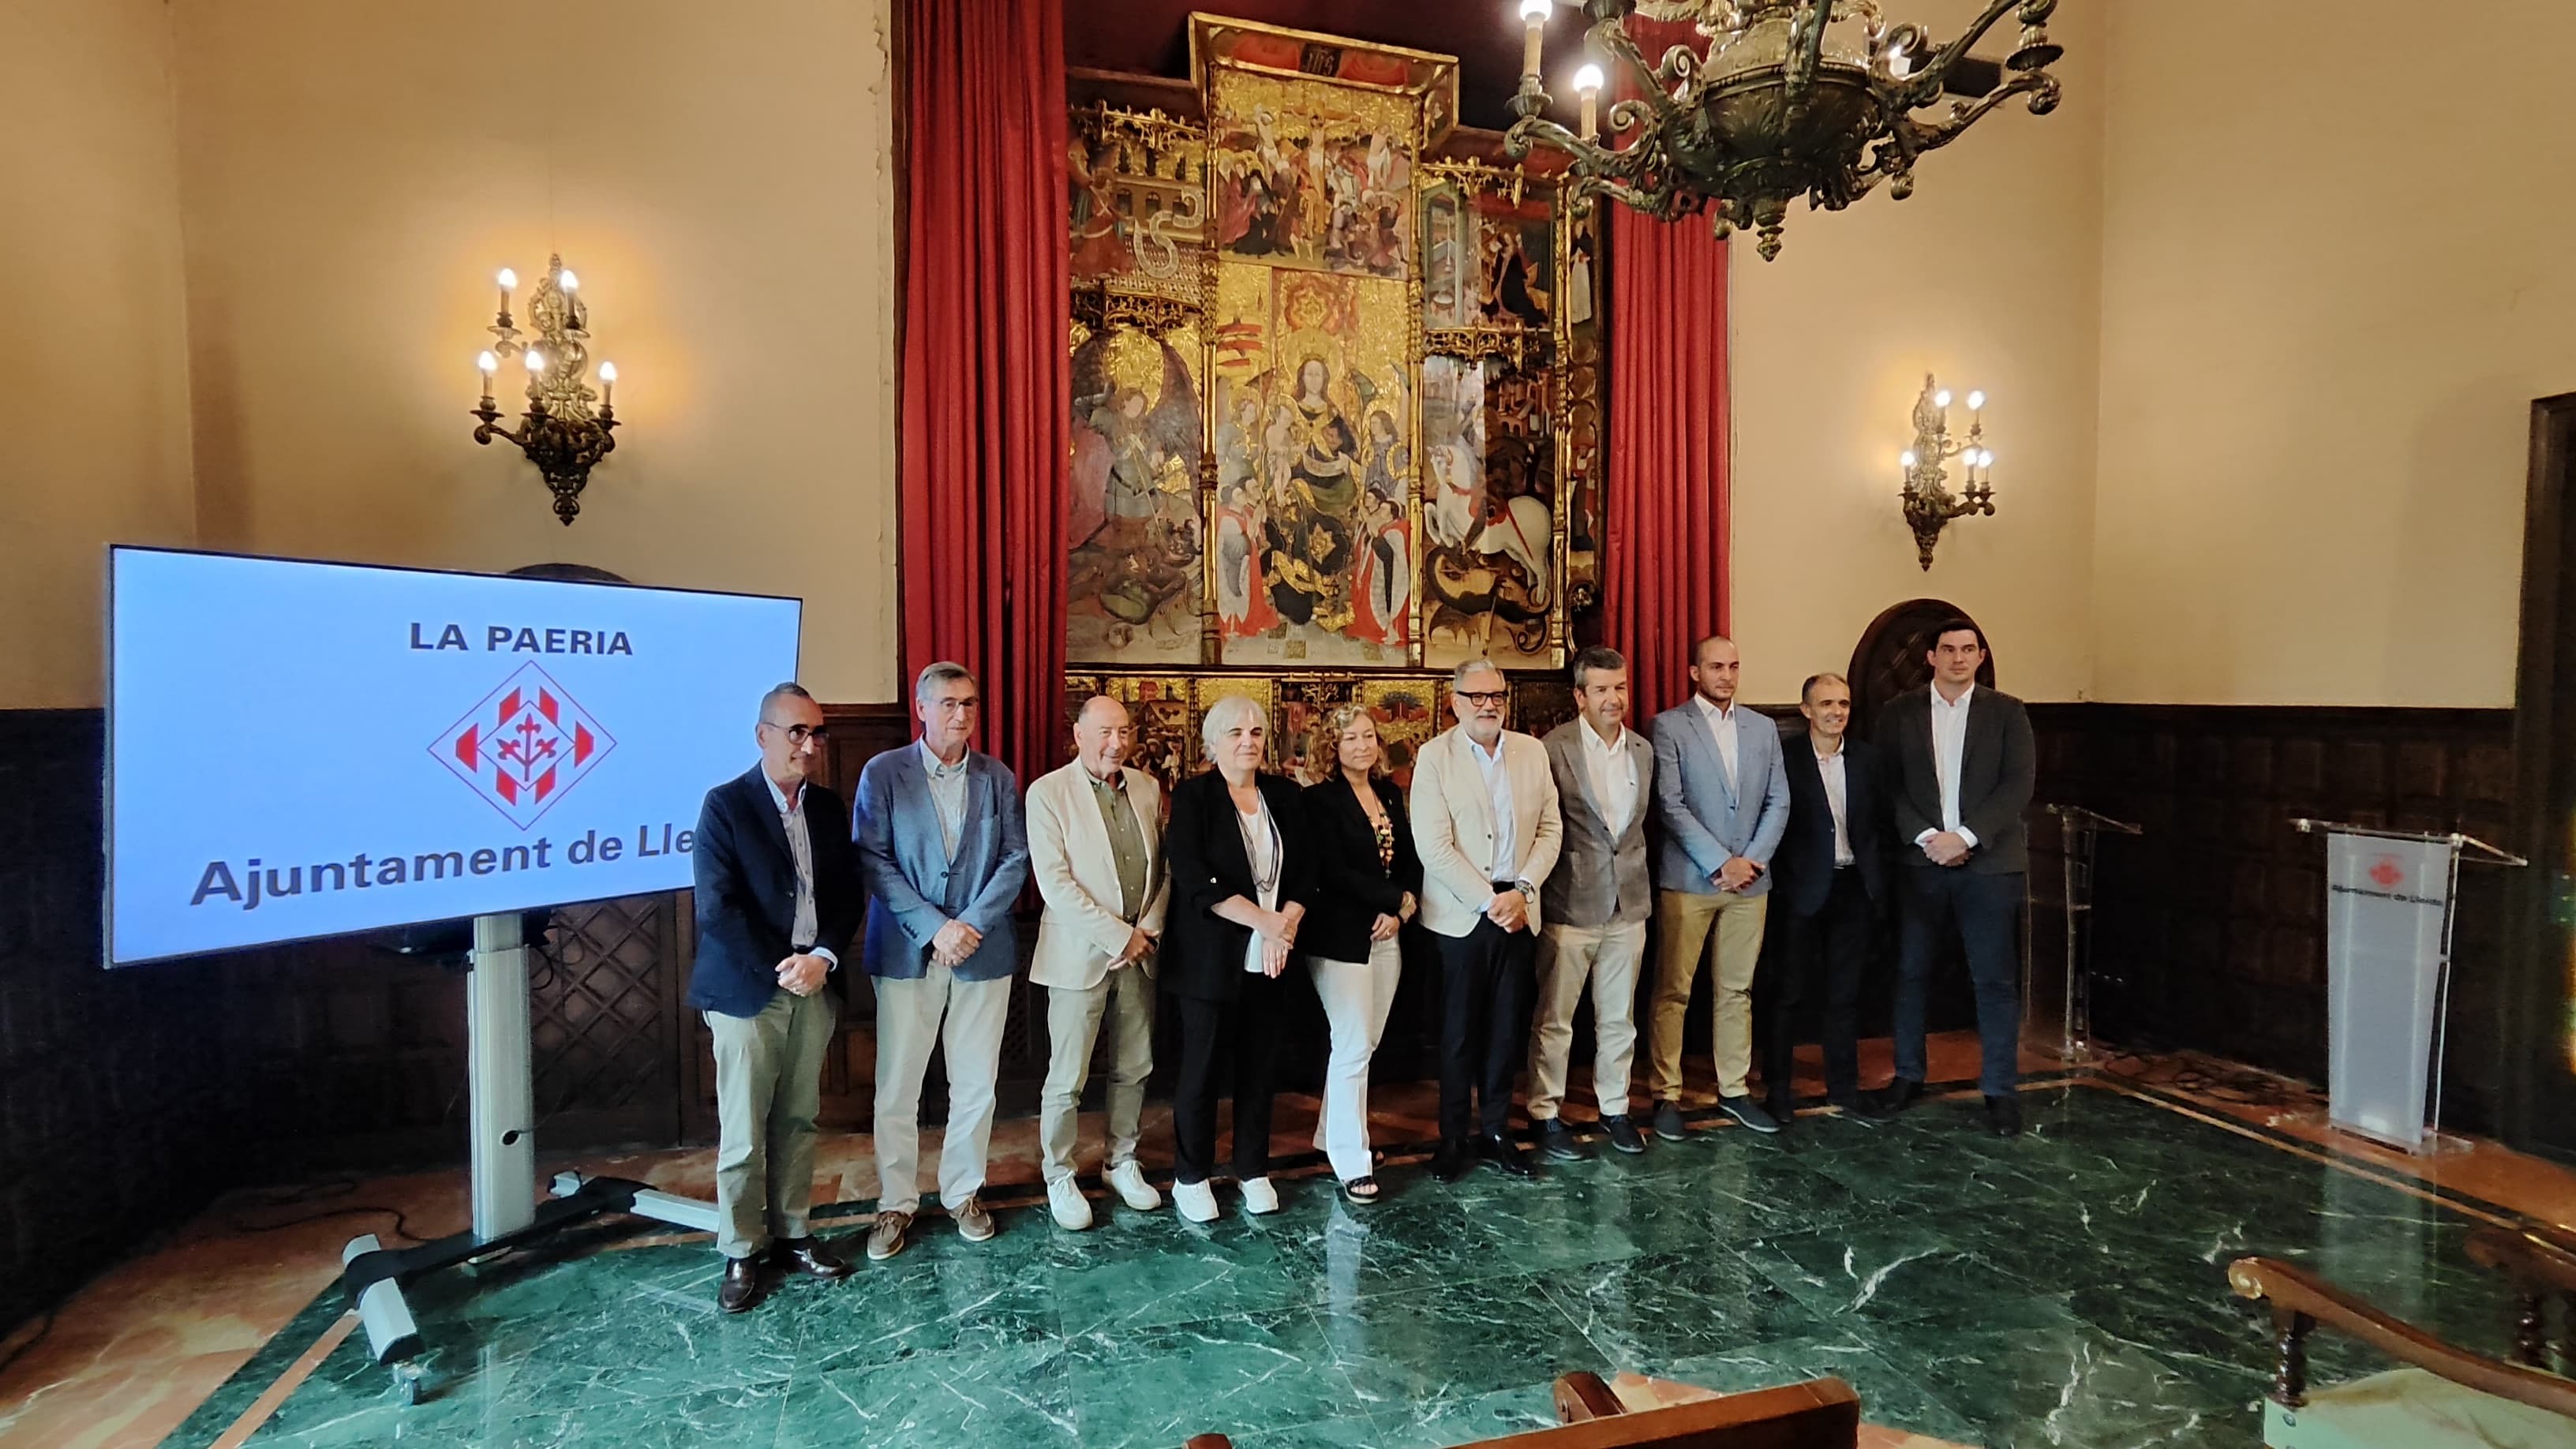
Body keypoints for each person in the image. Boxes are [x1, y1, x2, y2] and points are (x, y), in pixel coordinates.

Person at [685, 683, 863, 1313]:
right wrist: (782, 966)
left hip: (814, 985)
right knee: (744, 1132)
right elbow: (717, 908)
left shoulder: (829, 808)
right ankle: (740, 1249)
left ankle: (792, 1234)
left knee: (798, 1119)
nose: (810, 746)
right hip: (747, 991)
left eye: (817, 734)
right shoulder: (725, 806)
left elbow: (847, 897)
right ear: (762, 735)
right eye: (796, 733)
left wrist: (823, 959)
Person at [852, 662, 1030, 1260]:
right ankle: (896, 1203)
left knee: (976, 1082)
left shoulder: (997, 777)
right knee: (897, 1085)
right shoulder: (884, 774)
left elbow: (1014, 858)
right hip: (908, 950)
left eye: (970, 704)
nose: (962, 715)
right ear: (921, 709)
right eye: (949, 703)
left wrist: (970, 925)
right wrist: (934, 929)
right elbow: (872, 860)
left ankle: (962, 1193)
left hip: (983, 951)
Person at [1870, 619, 2036, 1137]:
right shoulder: (1898, 714)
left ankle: (2000, 1091)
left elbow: (2018, 785)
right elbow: (1886, 785)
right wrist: (1927, 837)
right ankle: (1908, 1076)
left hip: (1988, 865)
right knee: (1911, 973)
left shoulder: (2008, 712)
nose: (1958, 658)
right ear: (1931, 658)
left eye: (1968, 649)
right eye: (1949, 649)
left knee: (1994, 981)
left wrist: (1964, 837)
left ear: (1981, 657)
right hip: (1920, 864)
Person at [1163, 695, 1316, 1222]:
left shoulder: (1286, 795)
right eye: (1235, 733)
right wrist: (1264, 923)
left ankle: (1252, 1167)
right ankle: (1192, 1175)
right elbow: (1193, 877)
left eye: (1255, 732)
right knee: (1202, 1070)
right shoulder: (1193, 797)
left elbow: (1305, 874)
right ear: (1212, 744)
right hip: (1210, 958)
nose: (1248, 741)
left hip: (1275, 955)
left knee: (1260, 1068)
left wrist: (1284, 927)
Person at [1412, 658, 1563, 1181]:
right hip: (1461, 916)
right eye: (1475, 697)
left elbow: (1550, 829)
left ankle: (1497, 1131)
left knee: (1506, 1031)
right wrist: (1488, 901)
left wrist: (1522, 891)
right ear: (1455, 702)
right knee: (1457, 1034)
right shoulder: (1434, 758)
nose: (1488, 705)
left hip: (1520, 910)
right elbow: (1433, 847)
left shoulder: (1532, 752)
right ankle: (1453, 1137)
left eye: (1496, 695)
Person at [1025, 696, 1170, 1232]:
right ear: (1079, 735)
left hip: (1141, 953)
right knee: (1067, 1077)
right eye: (1105, 731)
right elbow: (1055, 882)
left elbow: (1165, 871)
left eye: (1125, 731)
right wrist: (1117, 935)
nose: (1117, 742)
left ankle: (1120, 1161)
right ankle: (1059, 1172)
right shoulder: (1048, 793)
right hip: (1077, 956)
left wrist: (1146, 930)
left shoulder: (1148, 788)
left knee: (1135, 1065)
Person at [1646, 635, 1792, 1137]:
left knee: (1737, 990)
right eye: (1715, 666)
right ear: (1694, 672)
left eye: (1733, 666)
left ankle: (1734, 1088)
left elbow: (1779, 801)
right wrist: (1718, 862)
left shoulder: (1763, 727)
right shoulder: (1668, 726)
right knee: (1673, 992)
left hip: (1751, 883)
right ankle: (1667, 1094)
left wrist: (1749, 862)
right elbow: (1670, 804)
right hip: (1690, 879)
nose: (1726, 675)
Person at [1527, 647, 1656, 1160]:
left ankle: (1615, 1108)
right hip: (1570, 902)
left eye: (1620, 687)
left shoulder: (1643, 750)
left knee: (1619, 1017)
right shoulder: (1551, 749)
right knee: (1556, 1018)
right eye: (1601, 689)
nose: (1614, 698)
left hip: (1630, 902)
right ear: (1580, 696)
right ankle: (1545, 1113)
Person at [1758, 672, 1892, 1128]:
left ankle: (1844, 1085)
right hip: (1801, 890)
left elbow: (1880, 826)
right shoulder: (1786, 758)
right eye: (1827, 704)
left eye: (1845, 704)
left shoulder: (1869, 759)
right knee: (1788, 993)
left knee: (1845, 994)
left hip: (1855, 887)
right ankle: (1778, 1090)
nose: (1837, 712)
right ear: (1806, 710)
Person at [1300, 704, 1422, 1203]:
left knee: (1363, 1043)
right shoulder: (1318, 801)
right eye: (1349, 738)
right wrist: (1391, 900)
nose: (1362, 745)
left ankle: (1330, 1134)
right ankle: (1352, 1160)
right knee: (1351, 1044)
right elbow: (1331, 871)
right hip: (1338, 937)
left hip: (1388, 932)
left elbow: (1409, 859)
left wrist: (1403, 908)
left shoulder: (1390, 793)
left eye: (1368, 736)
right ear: (1332, 746)